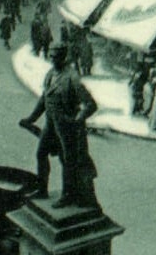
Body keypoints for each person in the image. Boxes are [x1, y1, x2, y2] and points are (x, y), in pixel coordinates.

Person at [20, 43, 99, 208]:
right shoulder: (50, 74)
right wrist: (31, 118)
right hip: (51, 123)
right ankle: (42, 189)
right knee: (41, 153)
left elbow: (91, 104)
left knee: (68, 162)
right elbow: (44, 99)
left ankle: (68, 195)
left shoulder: (72, 77)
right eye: (51, 56)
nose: (52, 59)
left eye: (55, 56)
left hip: (67, 128)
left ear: (63, 57)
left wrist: (77, 120)